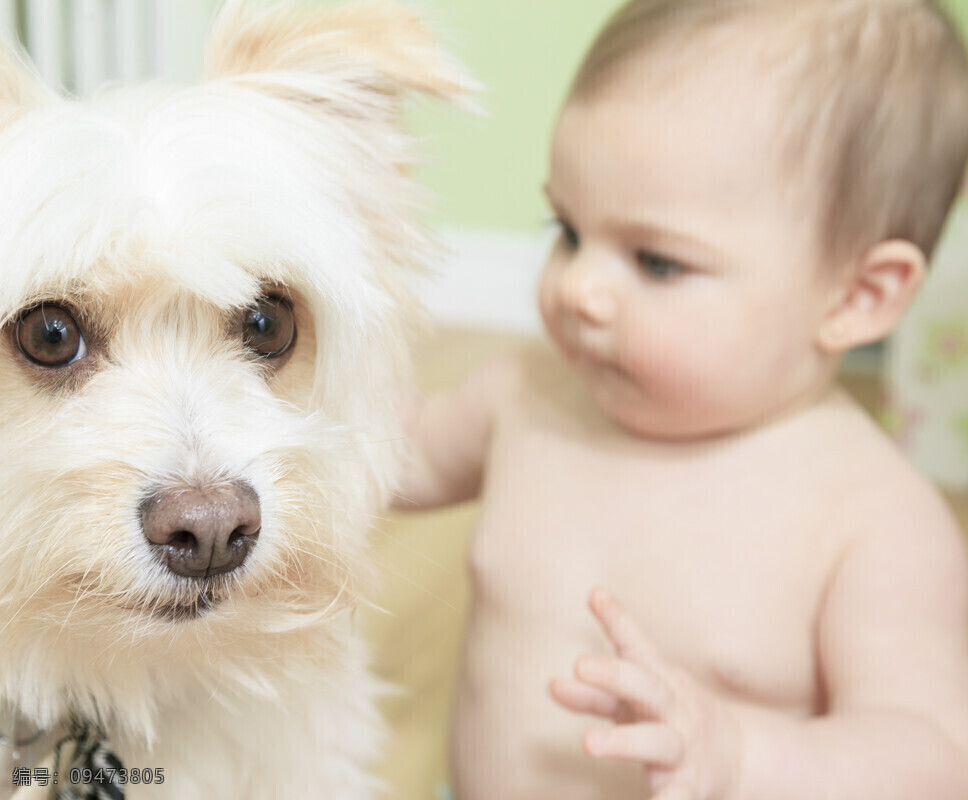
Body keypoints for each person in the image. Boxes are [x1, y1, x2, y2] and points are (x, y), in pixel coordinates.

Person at [398, 1, 968, 797]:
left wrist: (742, 753)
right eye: (566, 230)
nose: (580, 287)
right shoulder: (526, 395)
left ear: (859, 296)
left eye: (657, 262)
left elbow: (933, 756)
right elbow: (386, 464)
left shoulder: (874, 523)